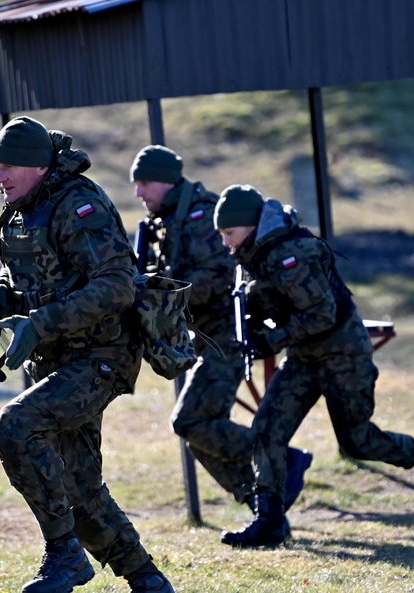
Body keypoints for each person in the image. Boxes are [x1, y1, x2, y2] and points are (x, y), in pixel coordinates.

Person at [212, 184, 414, 548]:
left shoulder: (291, 254)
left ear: (251, 226)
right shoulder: (254, 256)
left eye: (230, 234)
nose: (226, 243)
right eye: (222, 235)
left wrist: (273, 340)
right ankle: (269, 519)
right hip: (304, 357)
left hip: (342, 353)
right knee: (266, 430)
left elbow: (322, 314)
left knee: (358, 441)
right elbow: (269, 302)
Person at [0, 117, 176, 593]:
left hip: (102, 355)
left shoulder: (78, 204)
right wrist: (8, 308)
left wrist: (42, 323)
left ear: (35, 165)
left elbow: (116, 285)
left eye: (8, 166)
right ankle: (149, 581)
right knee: (80, 490)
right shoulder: (20, 211)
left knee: (17, 426)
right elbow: (44, 282)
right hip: (56, 361)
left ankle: (64, 555)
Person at [129, 145, 313, 516]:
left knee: (191, 422)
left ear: (166, 181)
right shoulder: (164, 220)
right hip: (208, 336)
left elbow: (222, 274)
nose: (138, 193)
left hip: (231, 331)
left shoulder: (200, 215)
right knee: (197, 430)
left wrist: (165, 289)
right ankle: (262, 504)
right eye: (136, 183)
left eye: (145, 182)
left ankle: (283, 462)